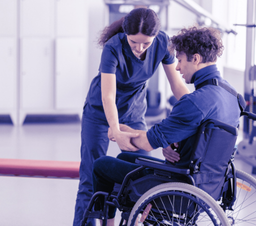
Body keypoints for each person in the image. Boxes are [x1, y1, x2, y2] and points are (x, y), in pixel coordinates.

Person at [90, 26, 241, 225]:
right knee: (125, 157)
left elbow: (146, 143)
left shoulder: (195, 101)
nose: (177, 67)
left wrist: (119, 134)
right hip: (207, 183)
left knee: (102, 165)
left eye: (180, 60)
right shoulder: (232, 96)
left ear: (195, 59)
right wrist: (129, 130)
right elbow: (200, 137)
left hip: (176, 184)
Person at [73, 7, 190, 226]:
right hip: (99, 113)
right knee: (90, 177)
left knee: (144, 172)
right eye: (134, 42)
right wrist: (115, 129)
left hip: (133, 112)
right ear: (125, 34)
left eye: (146, 43)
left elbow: (177, 85)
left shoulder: (163, 43)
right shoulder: (113, 47)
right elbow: (108, 96)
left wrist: (195, 108)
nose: (139, 48)